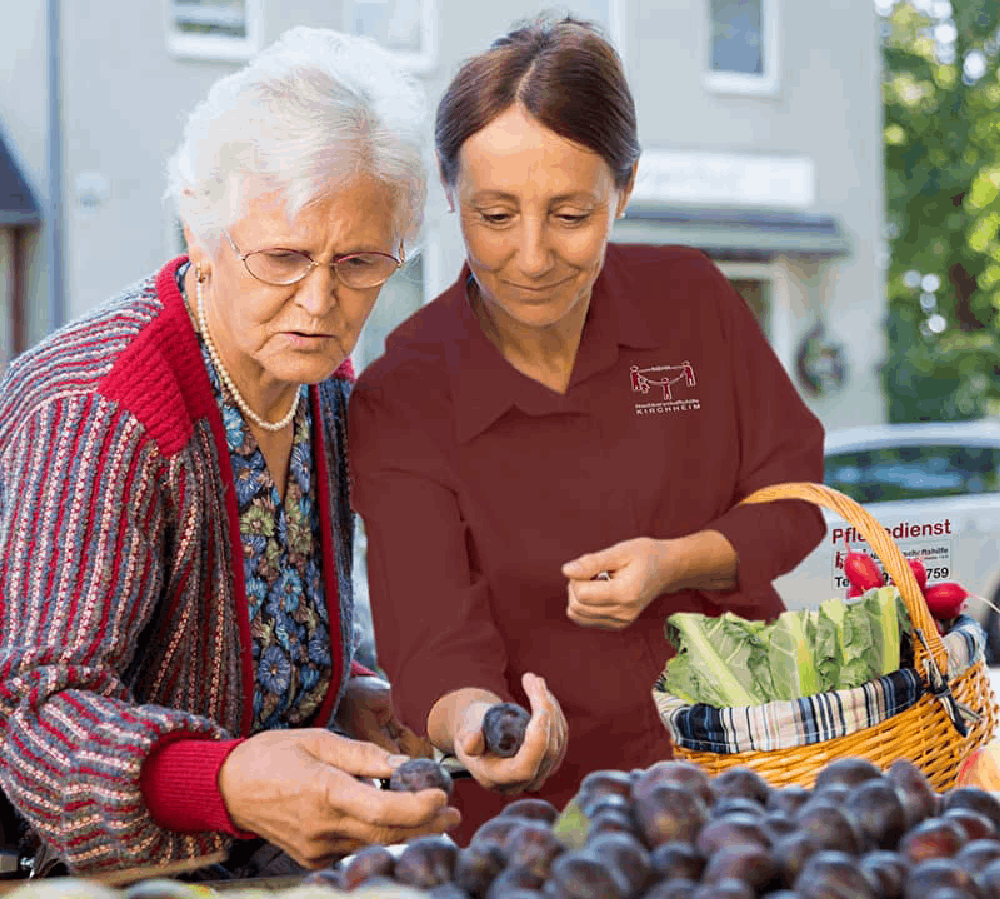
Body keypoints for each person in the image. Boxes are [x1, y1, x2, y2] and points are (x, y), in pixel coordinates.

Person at [347, 14, 826, 842]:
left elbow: (799, 499)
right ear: (449, 187)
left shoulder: (692, 301)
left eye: (571, 215)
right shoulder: (404, 393)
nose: (531, 257)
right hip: (541, 833)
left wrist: (679, 560)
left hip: (744, 785)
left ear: (625, 189)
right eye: (495, 216)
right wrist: (479, 724)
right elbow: (431, 641)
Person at [0, 27, 460, 876]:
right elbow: (34, 716)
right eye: (283, 256)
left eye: (360, 262)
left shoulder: (323, 386)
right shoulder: (103, 411)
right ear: (200, 233)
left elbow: (267, 629)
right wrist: (223, 781)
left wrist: (351, 697)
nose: (320, 299)